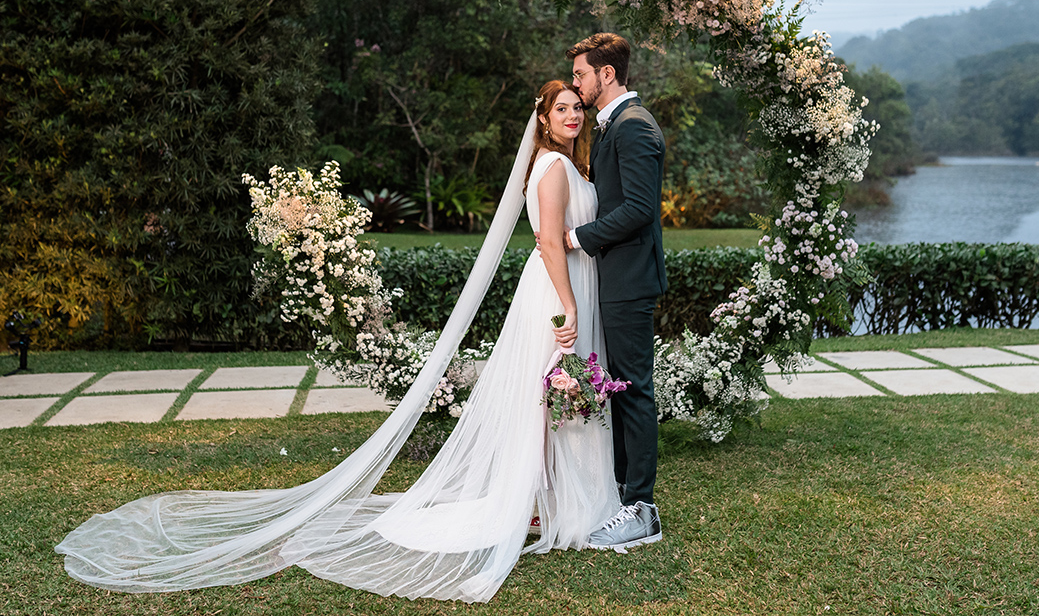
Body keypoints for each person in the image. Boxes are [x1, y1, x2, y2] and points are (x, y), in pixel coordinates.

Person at [54, 80, 619, 603]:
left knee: (553, 398)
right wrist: (567, 307)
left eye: (576, 107)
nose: (571, 115)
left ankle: (540, 502)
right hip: (554, 294)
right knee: (550, 396)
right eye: (559, 109)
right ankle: (531, 502)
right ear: (542, 120)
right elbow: (548, 242)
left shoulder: (568, 165)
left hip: (565, 287)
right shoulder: (551, 169)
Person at [559, 33, 667, 552]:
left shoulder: (634, 126)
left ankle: (642, 510)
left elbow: (639, 209)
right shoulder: (613, 127)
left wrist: (578, 237)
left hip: (628, 280)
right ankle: (623, 495)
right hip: (614, 279)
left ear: (607, 73)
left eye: (581, 74)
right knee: (621, 386)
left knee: (635, 389)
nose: (576, 84)